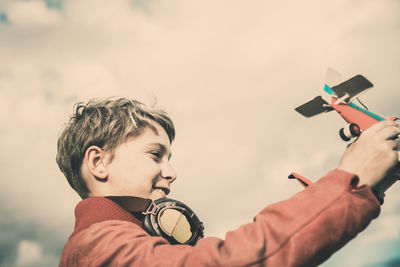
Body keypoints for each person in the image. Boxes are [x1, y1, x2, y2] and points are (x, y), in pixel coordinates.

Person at [57, 97, 400, 267]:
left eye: (170, 158)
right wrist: (350, 180)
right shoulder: (99, 247)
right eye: (155, 154)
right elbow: (236, 259)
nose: (171, 172)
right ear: (98, 162)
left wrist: (374, 184)